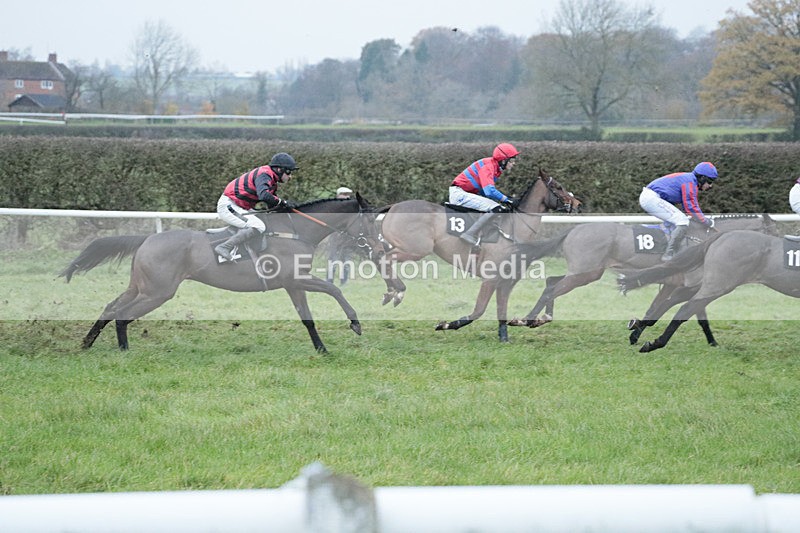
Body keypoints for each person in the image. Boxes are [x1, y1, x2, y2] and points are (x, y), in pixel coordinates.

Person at [214, 152, 298, 261]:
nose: (290, 176)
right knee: (259, 226)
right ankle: (224, 247)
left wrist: (288, 207)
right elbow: (264, 195)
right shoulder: (265, 175)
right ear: (279, 169)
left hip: (239, 206)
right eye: (289, 172)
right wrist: (282, 202)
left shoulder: (271, 180)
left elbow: (272, 202)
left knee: (265, 221)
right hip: (229, 205)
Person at [639, 161, 718, 261]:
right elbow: (691, 207)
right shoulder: (690, 183)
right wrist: (706, 221)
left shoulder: (689, 180)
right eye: (710, 182)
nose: (710, 186)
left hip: (651, 197)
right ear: (702, 178)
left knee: (676, 220)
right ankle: (669, 254)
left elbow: (687, 208)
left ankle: (649, 232)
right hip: (651, 198)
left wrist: (699, 218)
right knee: (682, 220)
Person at [449, 143, 521, 246]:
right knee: (496, 208)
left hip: (463, 193)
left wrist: (505, 199)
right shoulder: (489, 166)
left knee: (498, 207)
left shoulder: (495, 167)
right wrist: (506, 199)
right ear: (503, 160)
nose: (513, 164)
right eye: (512, 161)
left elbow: (484, 191)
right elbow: (489, 191)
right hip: (460, 194)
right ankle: (469, 234)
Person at [326, 186, 355, 284]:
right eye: (344, 194)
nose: (347, 197)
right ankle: (329, 282)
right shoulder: (332, 208)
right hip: (335, 237)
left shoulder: (351, 209)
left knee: (346, 260)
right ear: (338, 195)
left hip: (347, 238)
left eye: (348, 195)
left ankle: (344, 282)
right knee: (333, 260)